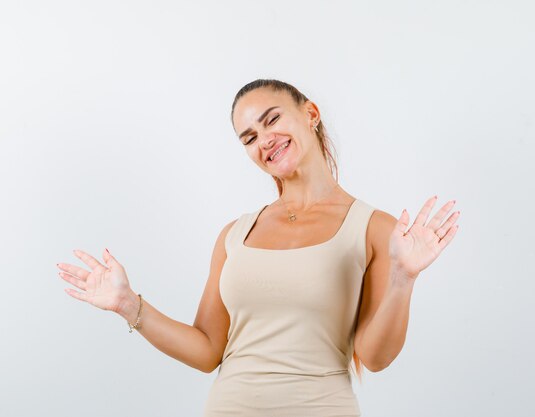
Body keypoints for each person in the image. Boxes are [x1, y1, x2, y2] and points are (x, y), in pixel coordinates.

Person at [57, 78, 460, 416]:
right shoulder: (235, 234)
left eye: (272, 120)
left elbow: (375, 357)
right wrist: (128, 304)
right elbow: (207, 350)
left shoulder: (375, 228)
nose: (264, 140)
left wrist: (403, 278)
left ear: (311, 114)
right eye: (249, 137)